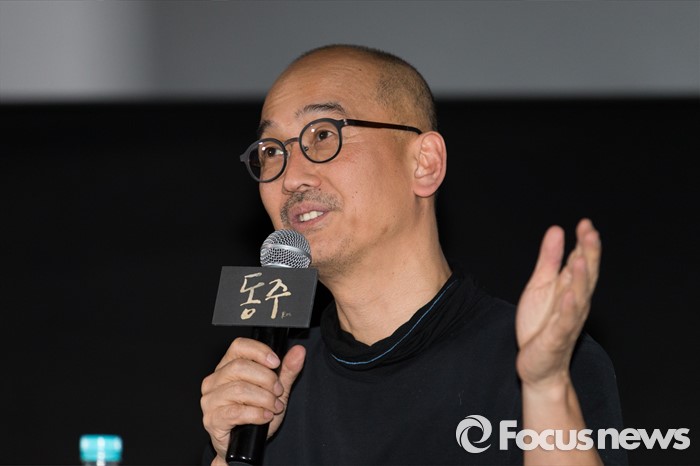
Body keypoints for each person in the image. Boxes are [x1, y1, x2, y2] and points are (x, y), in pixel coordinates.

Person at [200, 44, 626, 465]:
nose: (291, 178)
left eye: (323, 135)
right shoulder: (272, 390)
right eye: (272, 151)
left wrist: (547, 390)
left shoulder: (538, 362)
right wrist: (226, 457)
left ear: (425, 163)